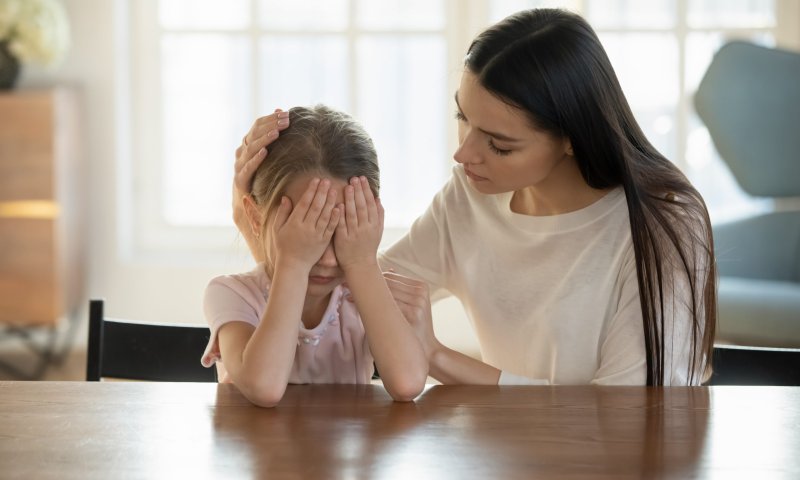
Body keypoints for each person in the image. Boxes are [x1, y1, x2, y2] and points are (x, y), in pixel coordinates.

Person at [232, 9, 717, 387]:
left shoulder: (665, 225)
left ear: (572, 137)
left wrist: (439, 358)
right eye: (462, 117)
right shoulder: (473, 196)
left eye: (499, 144)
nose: (464, 154)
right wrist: (252, 214)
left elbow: (628, 414)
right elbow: (343, 287)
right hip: (503, 451)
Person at [203, 105, 427, 407]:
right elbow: (264, 387)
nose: (329, 260)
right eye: (308, 234)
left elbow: (408, 383)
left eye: (344, 232)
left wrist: (361, 262)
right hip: (260, 454)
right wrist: (293, 263)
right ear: (255, 218)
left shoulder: (361, 292)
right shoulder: (232, 294)